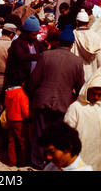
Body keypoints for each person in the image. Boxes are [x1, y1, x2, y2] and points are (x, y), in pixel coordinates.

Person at [28, 25, 85, 170]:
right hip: (63, 103)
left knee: (39, 131)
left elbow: (34, 80)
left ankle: (36, 161)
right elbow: (80, 88)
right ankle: (52, 162)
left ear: (58, 42)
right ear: (72, 45)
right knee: (56, 135)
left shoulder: (46, 55)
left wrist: (33, 95)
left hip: (43, 100)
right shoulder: (77, 62)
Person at [64, 68, 101, 171]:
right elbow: (66, 134)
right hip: (83, 153)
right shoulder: (75, 108)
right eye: (93, 93)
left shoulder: (100, 107)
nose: (96, 97)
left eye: (99, 94)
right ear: (87, 90)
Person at [6, 15, 46, 95]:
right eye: (33, 34)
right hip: (19, 84)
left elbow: (45, 52)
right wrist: (40, 56)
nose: (35, 37)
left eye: (36, 34)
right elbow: (21, 56)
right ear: (25, 33)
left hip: (32, 84)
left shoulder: (35, 42)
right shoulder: (17, 43)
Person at [4, 72, 30, 167]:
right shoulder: (21, 93)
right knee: (23, 141)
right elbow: (25, 109)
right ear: (23, 82)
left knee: (11, 141)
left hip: (10, 118)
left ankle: (12, 161)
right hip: (19, 120)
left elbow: (6, 104)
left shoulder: (8, 92)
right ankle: (24, 160)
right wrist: (28, 117)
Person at [71, 8, 101, 82]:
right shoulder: (96, 36)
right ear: (88, 22)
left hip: (77, 78)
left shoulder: (73, 35)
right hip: (92, 78)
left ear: (77, 22)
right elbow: (100, 61)